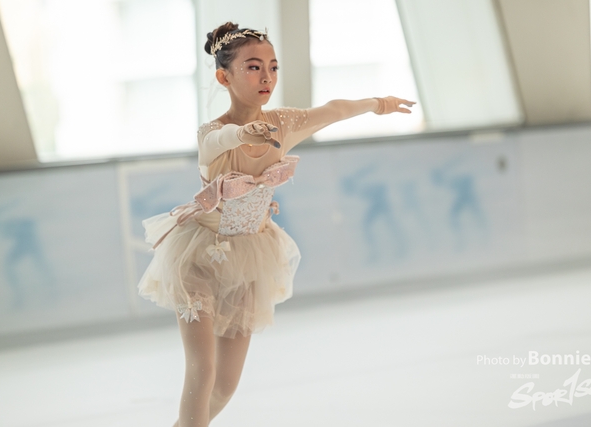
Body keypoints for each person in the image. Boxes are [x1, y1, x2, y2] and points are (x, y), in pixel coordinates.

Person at [136, 21, 415, 427]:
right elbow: (220, 141)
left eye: (273, 66)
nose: (266, 76)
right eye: (253, 67)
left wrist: (379, 103)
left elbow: (333, 110)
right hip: (197, 259)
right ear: (224, 77)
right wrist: (242, 134)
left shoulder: (282, 124)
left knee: (225, 386)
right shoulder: (211, 133)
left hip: (250, 260)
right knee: (202, 369)